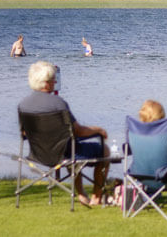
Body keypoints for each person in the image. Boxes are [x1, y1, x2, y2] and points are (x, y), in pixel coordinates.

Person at [18, 61, 109, 207]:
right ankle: (96, 197)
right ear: (46, 83)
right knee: (104, 150)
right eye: (53, 79)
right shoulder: (58, 104)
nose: (55, 82)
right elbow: (78, 131)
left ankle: (81, 193)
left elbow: (24, 133)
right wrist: (98, 130)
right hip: (63, 154)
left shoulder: (23, 105)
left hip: (38, 154)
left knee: (70, 147)